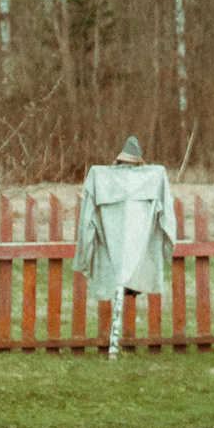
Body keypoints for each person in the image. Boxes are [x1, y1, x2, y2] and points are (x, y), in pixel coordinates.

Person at [74, 136, 176, 359]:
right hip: (134, 249)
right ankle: (113, 345)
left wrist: (85, 259)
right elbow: (167, 220)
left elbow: (86, 223)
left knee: (119, 281)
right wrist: (167, 249)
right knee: (123, 281)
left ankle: (114, 346)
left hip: (113, 248)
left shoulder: (102, 177)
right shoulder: (153, 177)